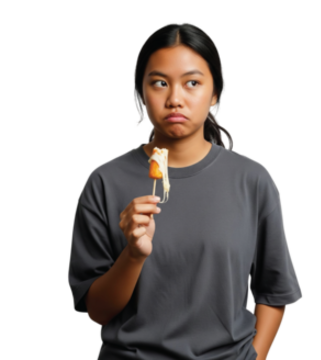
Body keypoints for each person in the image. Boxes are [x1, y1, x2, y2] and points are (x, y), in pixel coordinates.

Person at [67, 19, 303, 360]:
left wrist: (255, 357)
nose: (175, 98)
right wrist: (133, 255)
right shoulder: (105, 181)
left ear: (214, 95)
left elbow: (274, 292)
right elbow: (96, 312)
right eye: (160, 83)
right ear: (141, 93)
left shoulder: (252, 179)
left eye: (192, 82)